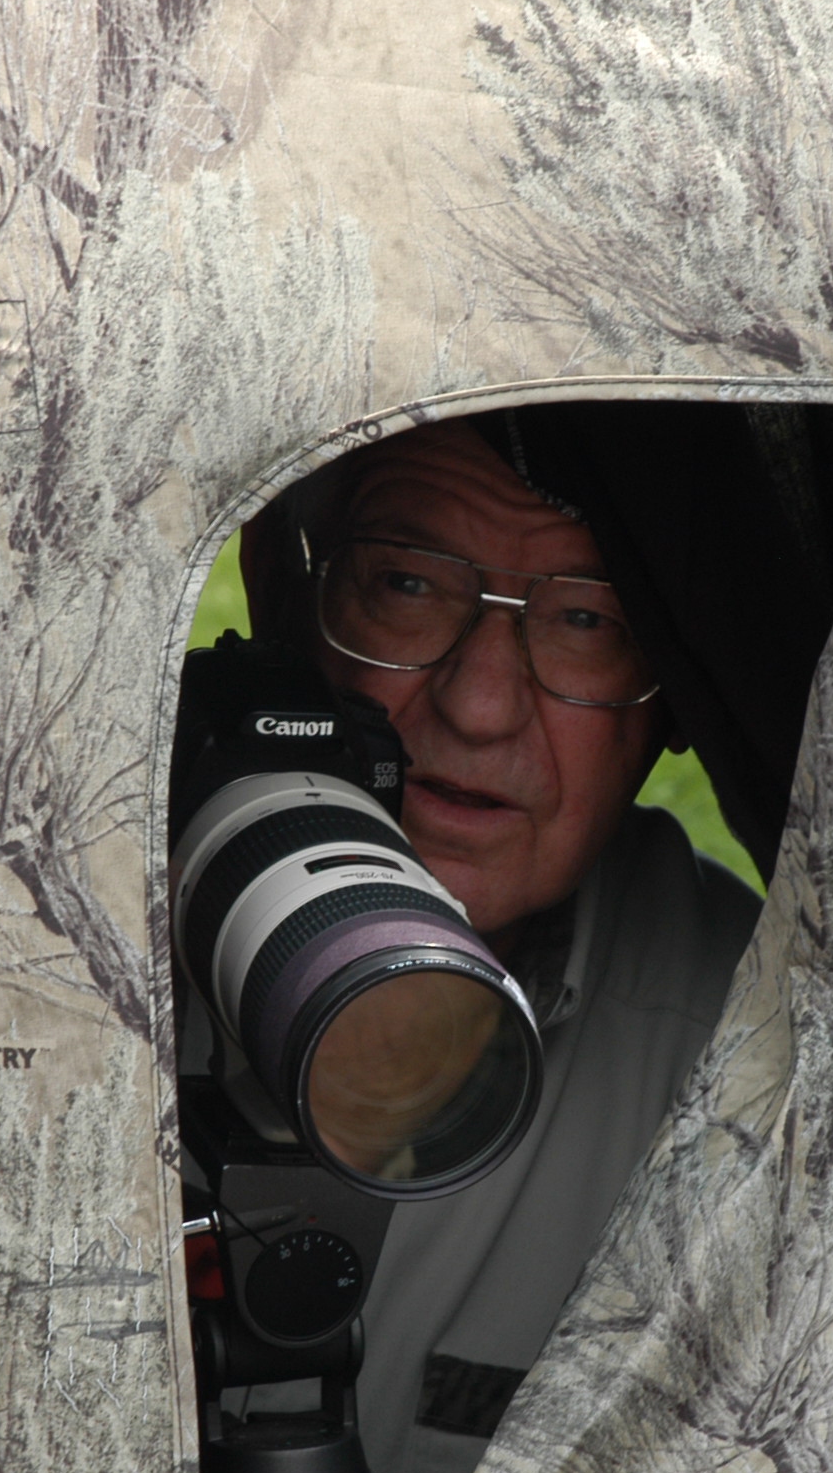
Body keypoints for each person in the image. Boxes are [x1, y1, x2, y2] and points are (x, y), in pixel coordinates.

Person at [223, 416, 762, 1473]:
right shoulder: (61, 944)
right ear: (287, 596)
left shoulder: (754, 1058)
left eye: (583, 620)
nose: (476, 706)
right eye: (409, 586)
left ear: (678, 697)